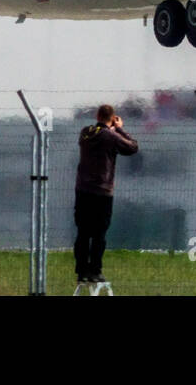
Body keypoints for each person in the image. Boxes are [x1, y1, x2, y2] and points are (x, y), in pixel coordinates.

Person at [74, 104, 138, 284]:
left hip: (82, 190)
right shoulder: (110, 136)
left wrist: (110, 128)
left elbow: (100, 133)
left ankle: (81, 270)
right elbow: (132, 147)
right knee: (99, 234)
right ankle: (95, 270)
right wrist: (119, 129)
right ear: (112, 118)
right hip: (102, 191)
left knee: (83, 232)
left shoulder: (85, 132)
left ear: (97, 115)